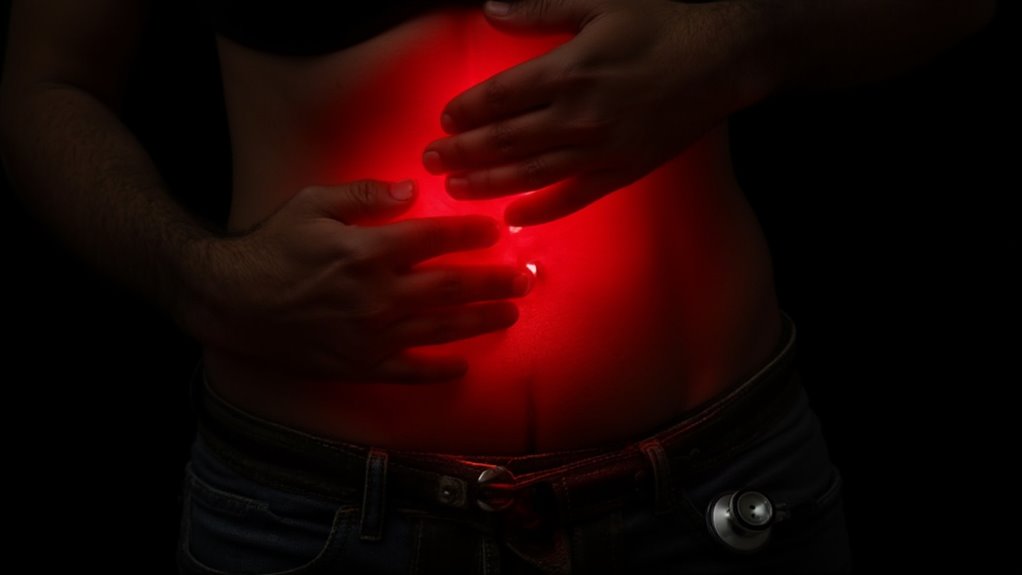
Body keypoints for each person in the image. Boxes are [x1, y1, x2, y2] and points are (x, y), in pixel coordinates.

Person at [0, 0, 995, 572]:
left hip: (711, 497)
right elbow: (50, 86)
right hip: (315, 518)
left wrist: (744, 41)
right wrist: (198, 277)